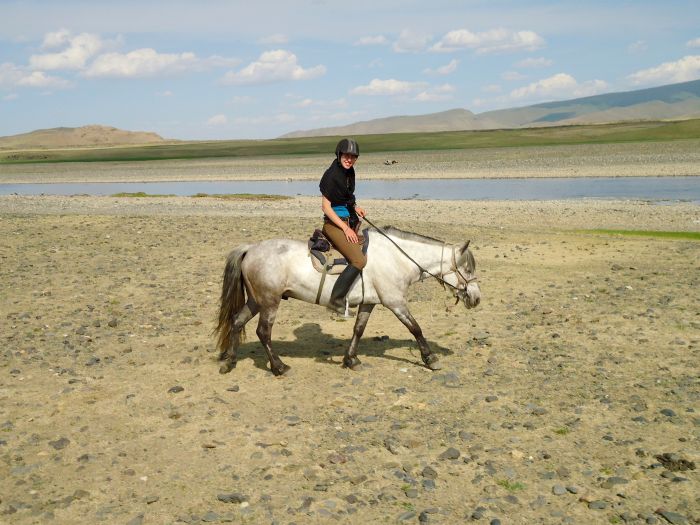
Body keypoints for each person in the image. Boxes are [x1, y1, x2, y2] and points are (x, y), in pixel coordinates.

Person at [319, 138, 366, 313]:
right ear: (339, 155)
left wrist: (356, 207)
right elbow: (326, 207)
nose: (350, 159)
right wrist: (345, 228)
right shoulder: (331, 175)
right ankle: (336, 300)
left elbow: (346, 198)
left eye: (353, 157)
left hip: (348, 220)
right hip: (333, 224)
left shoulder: (349, 173)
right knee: (359, 260)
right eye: (347, 155)